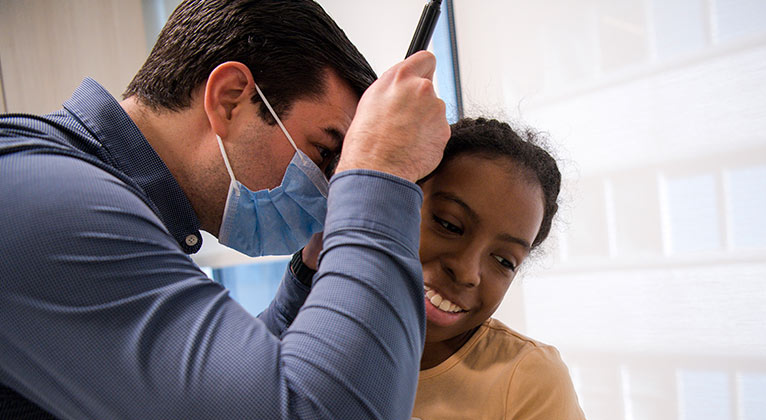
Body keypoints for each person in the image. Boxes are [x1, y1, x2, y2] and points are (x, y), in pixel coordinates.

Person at [0, 1, 449, 419]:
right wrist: (379, 170)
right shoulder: (53, 200)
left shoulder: (74, 185)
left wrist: (309, 279)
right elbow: (314, 409)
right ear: (230, 97)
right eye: (325, 153)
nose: (329, 194)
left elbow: (209, 385)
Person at [296, 118, 585, 419]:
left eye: (504, 261)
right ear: (399, 200)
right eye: (449, 224)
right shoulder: (317, 335)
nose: (466, 272)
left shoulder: (529, 379)